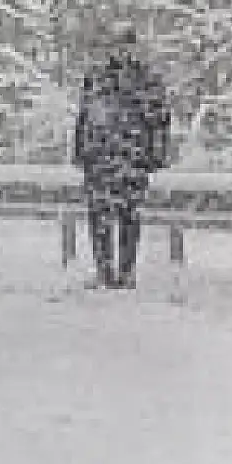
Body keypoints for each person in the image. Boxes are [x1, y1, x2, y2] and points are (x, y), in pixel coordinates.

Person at [72, 25, 170, 288]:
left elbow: (160, 120)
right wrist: (81, 152)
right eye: (115, 45)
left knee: (128, 216)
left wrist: (155, 155)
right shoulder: (95, 78)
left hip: (131, 158)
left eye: (125, 45)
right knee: (100, 216)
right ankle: (105, 271)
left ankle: (126, 272)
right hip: (101, 158)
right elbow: (84, 117)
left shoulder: (147, 80)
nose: (120, 51)